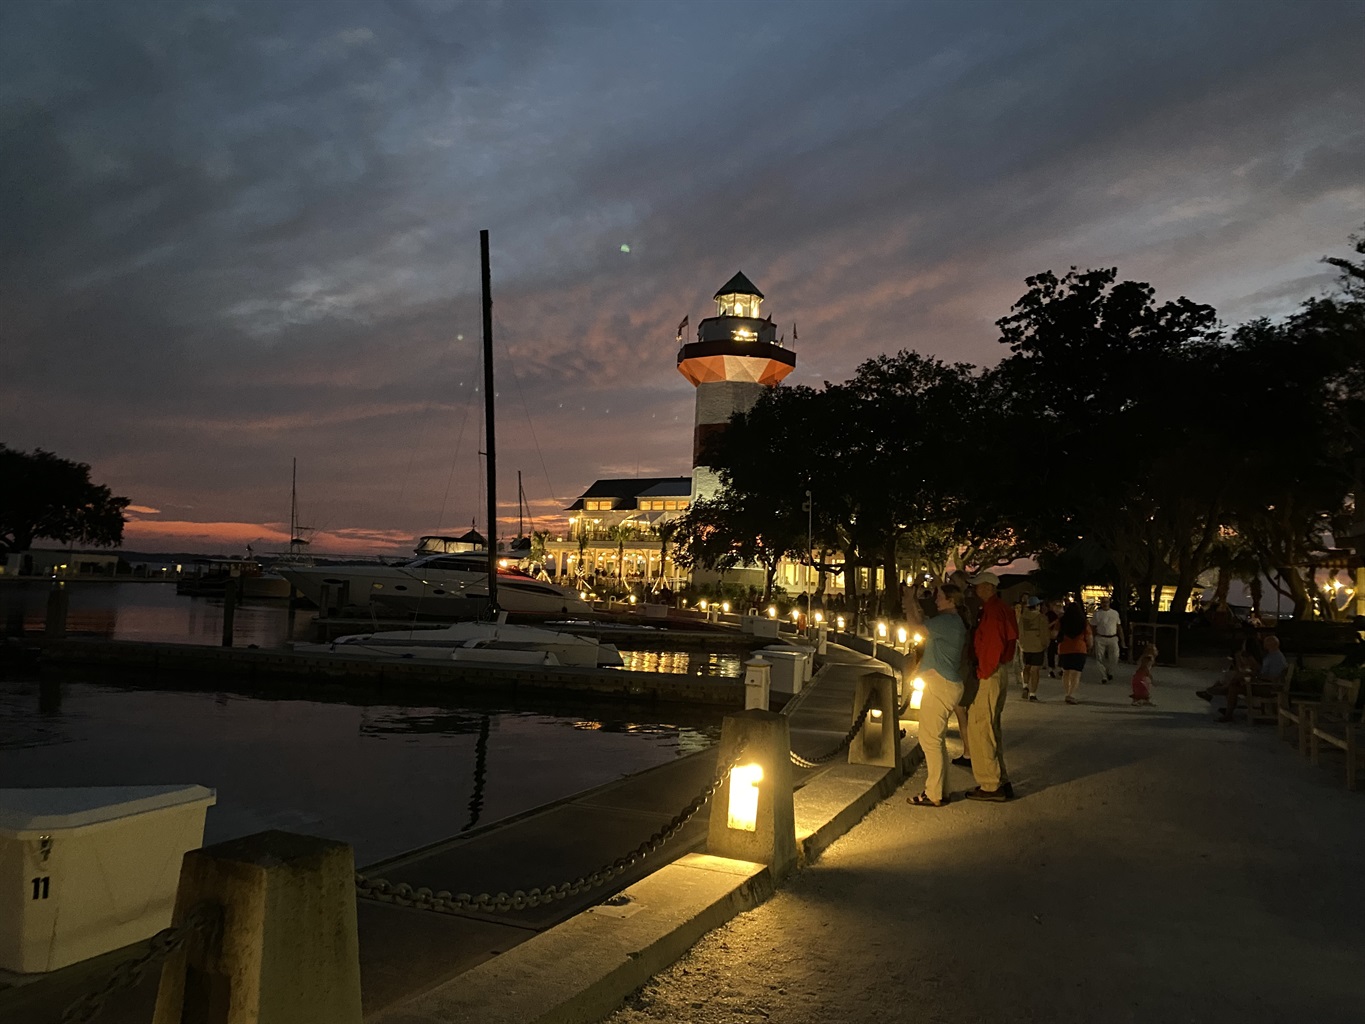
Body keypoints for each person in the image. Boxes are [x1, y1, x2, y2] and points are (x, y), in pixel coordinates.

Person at [902, 582, 969, 807]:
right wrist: (912, 601)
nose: (936, 599)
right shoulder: (951, 621)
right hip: (946, 684)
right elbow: (921, 621)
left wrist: (909, 600)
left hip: (941, 685)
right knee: (935, 740)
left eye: (939, 596)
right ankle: (940, 790)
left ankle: (934, 794)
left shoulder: (947, 622)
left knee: (929, 740)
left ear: (951, 600)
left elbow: (916, 628)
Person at [965, 571, 1019, 801]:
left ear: (988, 587)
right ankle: (1000, 779)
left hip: (990, 672)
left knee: (980, 727)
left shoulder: (992, 612)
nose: (976, 590)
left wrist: (983, 671)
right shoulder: (1002, 609)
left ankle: (990, 784)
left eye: (978, 586)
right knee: (991, 727)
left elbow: (991, 645)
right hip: (999, 670)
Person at [948, 569, 980, 768]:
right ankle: (971, 750)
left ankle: (969, 752)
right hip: (969, 664)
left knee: (961, 711)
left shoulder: (962, 611)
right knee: (964, 711)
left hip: (961, 666)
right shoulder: (973, 605)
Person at [1217, 635, 1288, 722]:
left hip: (1269, 687)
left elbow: (1272, 677)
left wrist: (1255, 675)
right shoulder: (1274, 656)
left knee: (1234, 687)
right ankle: (1226, 696)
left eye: (1265, 643)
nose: (1263, 645)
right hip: (1267, 684)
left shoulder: (1275, 658)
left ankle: (1227, 710)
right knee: (1237, 681)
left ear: (1270, 645)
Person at [1057, 602, 1091, 705]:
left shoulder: (1062, 621)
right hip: (1079, 649)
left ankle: (1067, 692)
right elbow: (1089, 637)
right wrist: (1089, 646)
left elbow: (1054, 634)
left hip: (1064, 649)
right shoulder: (1083, 622)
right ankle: (1071, 694)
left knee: (1066, 672)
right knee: (1076, 673)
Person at [1017, 596, 1050, 701]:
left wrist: (1021, 644)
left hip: (1025, 646)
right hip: (1037, 647)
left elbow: (1020, 632)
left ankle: (1025, 686)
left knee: (1026, 667)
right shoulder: (1042, 618)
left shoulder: (1022, 618)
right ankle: (1032, 694)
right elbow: (1044, 634)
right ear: (1037, 606)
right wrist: (1045, 644)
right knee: (1035, 670)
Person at [1090, 595, 1123, 683]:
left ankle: (1110, 671)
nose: (1105, 604)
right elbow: (1093, 627)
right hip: (1100, 637)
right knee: (1100, 658)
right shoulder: (1097, 614)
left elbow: (1119, 626)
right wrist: (1093, 638)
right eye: (1103, 602)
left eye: (1106, 602)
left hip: (1113, 637)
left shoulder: (1115, 613)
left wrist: (1122, 639)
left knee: (1115, 656)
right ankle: (1103, 676)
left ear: (1109, 603)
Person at [1044, 599, 1062, 677]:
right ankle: (1052, 668)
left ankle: (1057, 668)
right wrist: (1055, 622)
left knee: (1056, 653)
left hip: (1058, 636)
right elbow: (1046, 626)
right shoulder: (1049, 615)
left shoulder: (1061, 616)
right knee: (1052, 652)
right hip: (1051, 636)